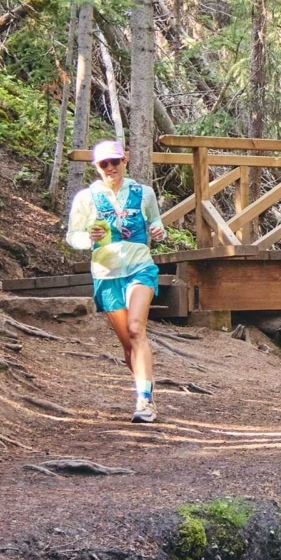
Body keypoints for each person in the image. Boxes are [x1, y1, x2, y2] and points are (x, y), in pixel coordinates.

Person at [66, 139, 165, 422]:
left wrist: (159, 232)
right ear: (96, 167)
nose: (111, 168)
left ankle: (143, 401)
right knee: (127, 345)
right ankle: (145, 388)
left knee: (136, 329)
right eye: (104, 164)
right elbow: (73, 236)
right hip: (106, 272)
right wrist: (89, 238)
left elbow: (156, 223)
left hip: (139, 267)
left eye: (115, 161)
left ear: (126, 160)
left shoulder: (143, 193)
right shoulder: (86, 198)